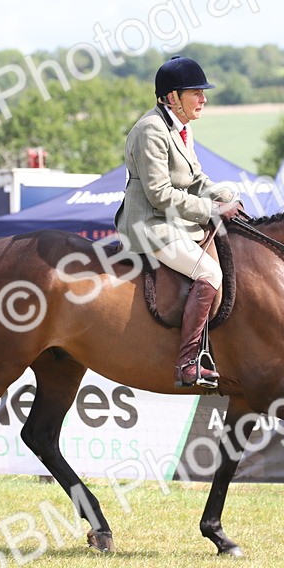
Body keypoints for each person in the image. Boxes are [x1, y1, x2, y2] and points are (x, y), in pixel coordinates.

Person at [114, 56, 241, 387]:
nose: (204, 99)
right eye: (196, 92)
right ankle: (187, 363)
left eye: (202, 92)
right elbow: (160, 195)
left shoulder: (182, 129)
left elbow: (196, 178)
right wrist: (211, 211)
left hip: (177, 223)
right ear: (172, 97)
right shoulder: (150, 131)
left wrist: (221, 195)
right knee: (209, 271)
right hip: (150, 224)